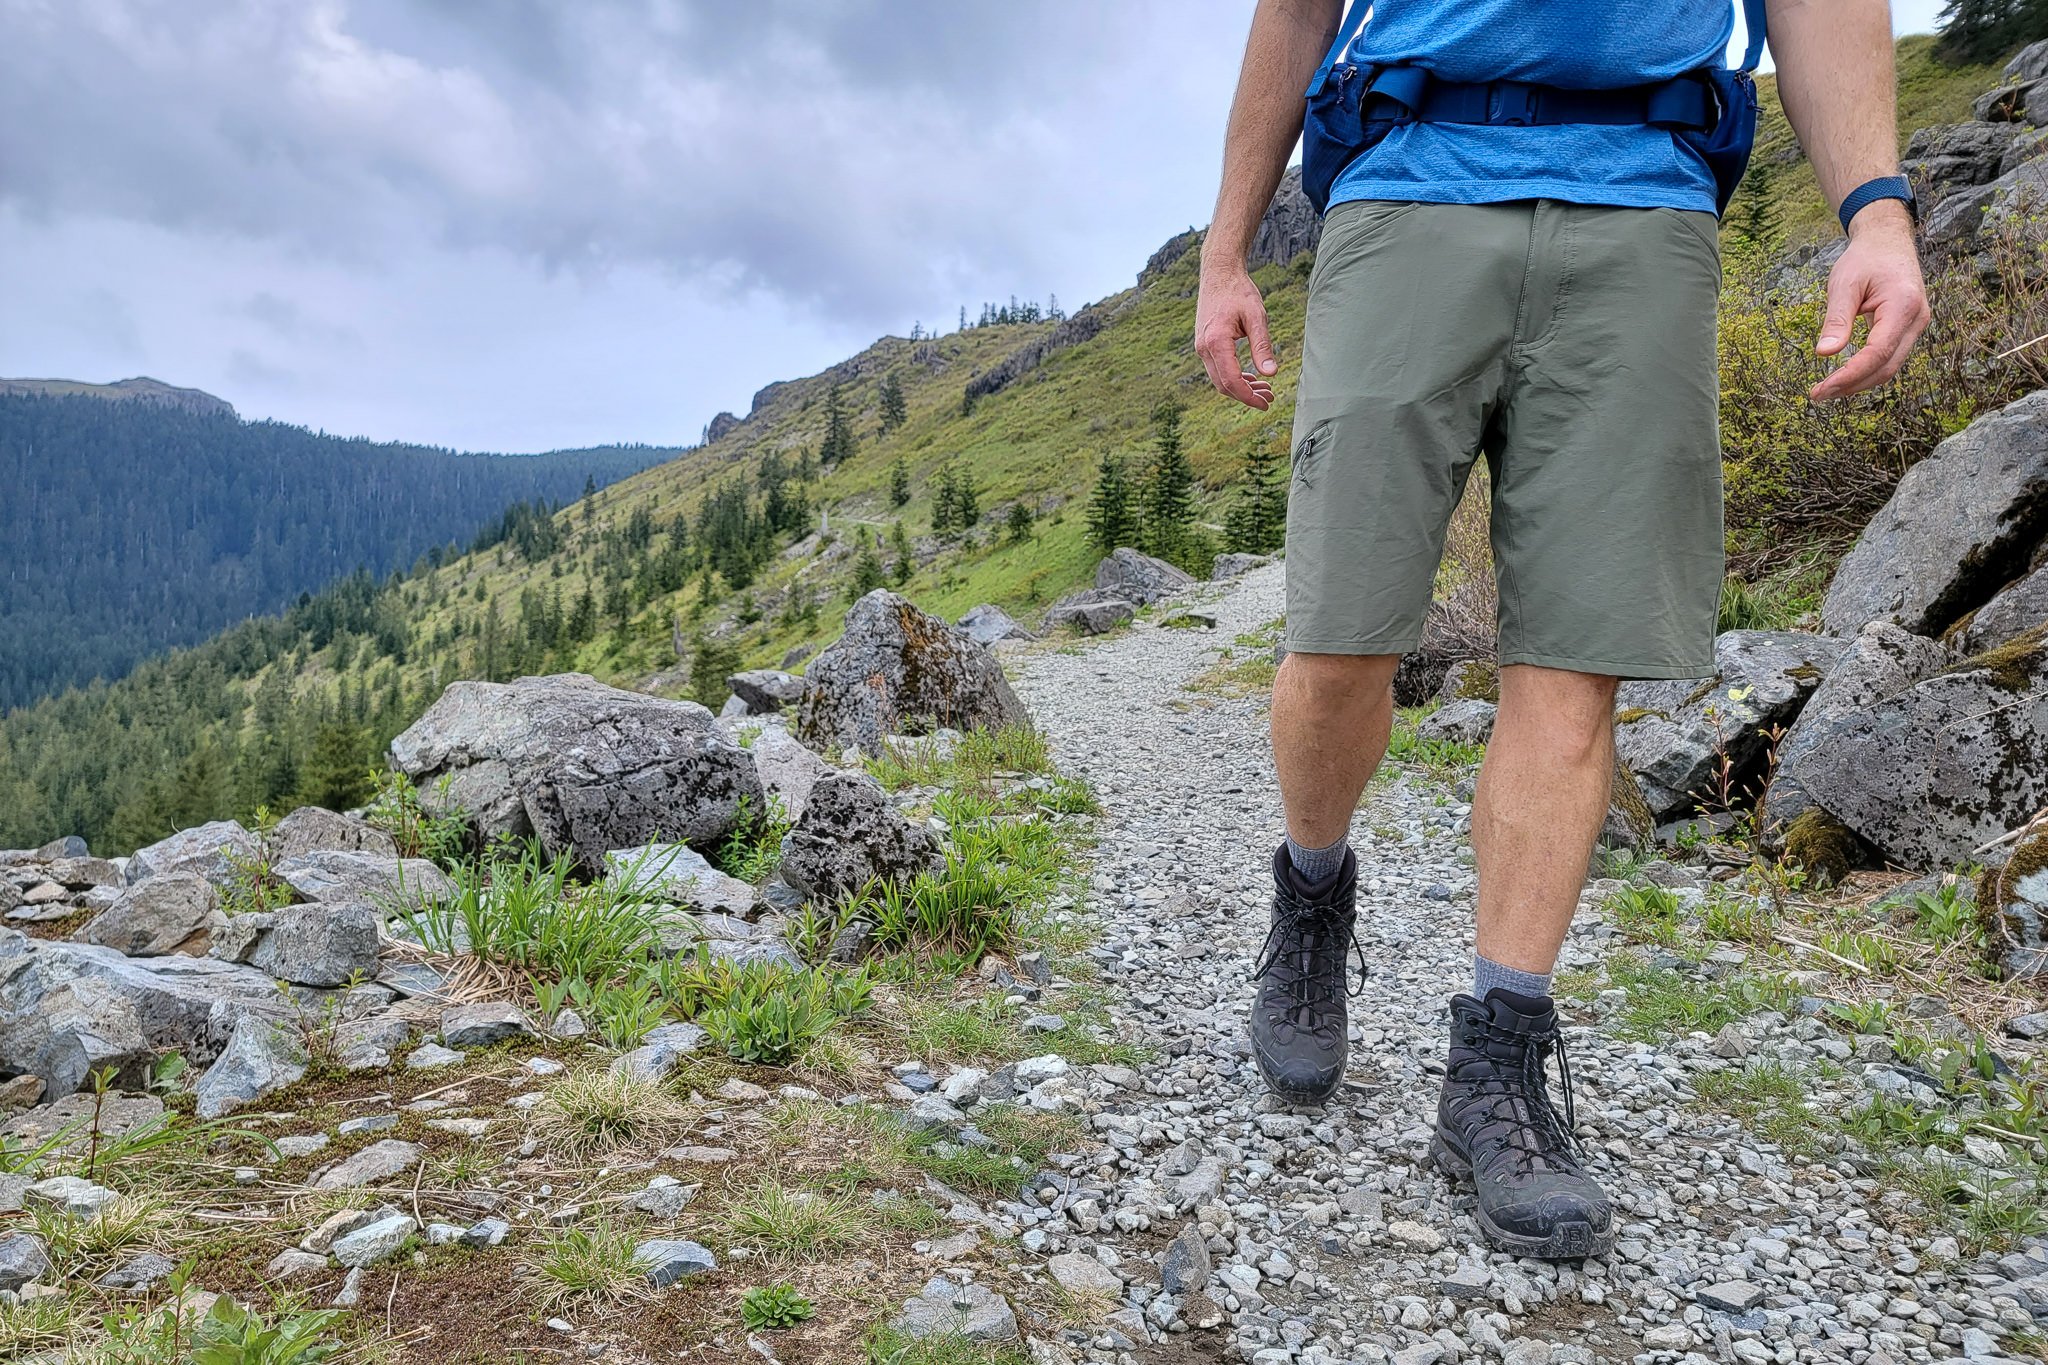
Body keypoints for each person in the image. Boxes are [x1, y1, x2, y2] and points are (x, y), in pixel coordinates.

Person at [1196, 0, 1929, 1259]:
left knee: (1572, 667)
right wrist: (1225, 252)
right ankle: (1311, 899)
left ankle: (1495, 1064)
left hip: (1643, 210)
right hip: (1406, 188)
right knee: (1337, 639)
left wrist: (1876, 207)